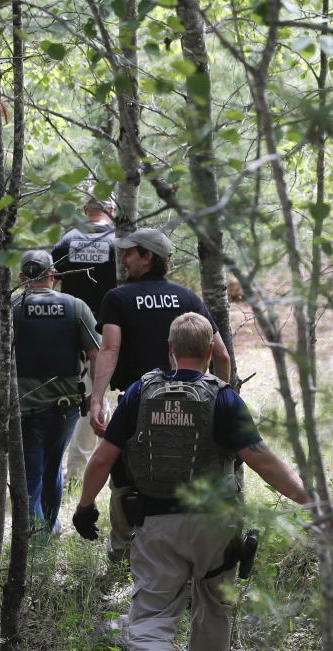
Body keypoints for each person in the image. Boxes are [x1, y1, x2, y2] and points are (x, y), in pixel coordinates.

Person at [73, 312, 333, 651]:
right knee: (214, 608)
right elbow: (264, 462)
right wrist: (318, 505)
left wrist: (85, 506)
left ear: (170, 350)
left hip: (156, 524)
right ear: (212, 352)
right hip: (215, 526)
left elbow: (102, 458)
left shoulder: (140, 392)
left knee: (153, 617)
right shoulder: (224, 399)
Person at [89, 227, 232, 563]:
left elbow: (109, 348)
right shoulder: (188, 298)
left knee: (124, 477)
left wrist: (96, 399)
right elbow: (222, 355)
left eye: (128, 253)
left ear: (147, 258)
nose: (123, 259)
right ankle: (188, 551)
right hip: (190, 404)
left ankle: (124, 554)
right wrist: (220, 399)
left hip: (137, 402)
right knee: (181, 473)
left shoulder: (117, 298)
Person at [0, 250, 100, 540]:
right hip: (66, 408)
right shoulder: (76, 307)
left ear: (21, 278)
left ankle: (38, 546)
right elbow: (97, 354)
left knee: (30, 478)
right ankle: (49, 530)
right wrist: (96, 393)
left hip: (23, 410)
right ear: (53, 276)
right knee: (53, 469)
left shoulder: (8, 306)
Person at [52, 196, 118, 481]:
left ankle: (78, 467)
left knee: (78, 393)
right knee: (96, 395)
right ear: (111, 211)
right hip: (107, 329)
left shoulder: (66, 240)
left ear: (84, 212)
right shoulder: (119, 240)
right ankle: (80, 472)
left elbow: (48, 279)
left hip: (69, 327)